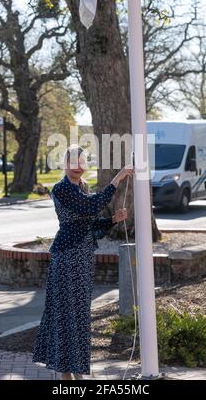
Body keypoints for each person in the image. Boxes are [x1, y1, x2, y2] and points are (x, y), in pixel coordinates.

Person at [32, 145, 133, 380]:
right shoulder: (61, 189)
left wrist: (112, 220)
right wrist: (118, 177)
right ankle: (66, 374)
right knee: (66, 315)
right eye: (73, 162)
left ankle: (78, 371)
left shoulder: (83, 188)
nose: (77, 167)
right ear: (65, 165)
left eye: (81, 162)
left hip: (84, 257)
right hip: (67, 258)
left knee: (79, 316)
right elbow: (89, 207)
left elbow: (87, 225)